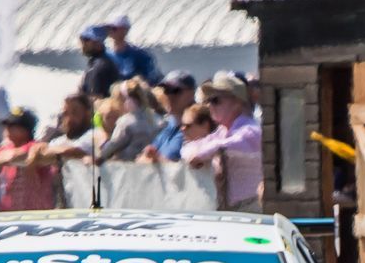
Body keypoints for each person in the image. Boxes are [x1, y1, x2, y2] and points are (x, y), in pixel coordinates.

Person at [182, 72, 262, 210]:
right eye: (208, 101)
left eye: (215, 101)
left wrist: (206, 152)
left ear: (237, 102)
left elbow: (239, 143)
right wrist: (196, 154)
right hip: (228, 208)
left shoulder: (251, 129)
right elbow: (188, 149)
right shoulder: (222, 132)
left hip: (251, 207)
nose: (209, 106)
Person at [0, 108, 57, 212]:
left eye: (13, 126)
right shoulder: (4, 150)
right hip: (9, 216)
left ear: (25, 129)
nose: (8, 129)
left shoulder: (35, 147)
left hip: (36, 214)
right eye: (7, 125)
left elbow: (12, 156)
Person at [96, 78, 164, 164]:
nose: (117, 104)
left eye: (119, 100)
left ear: (127, 101)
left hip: (129, 169)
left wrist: (99, 157)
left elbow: (113, 146)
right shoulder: (158, 118)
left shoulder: (126, 122)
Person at [148, 72, 198, 159]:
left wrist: (155, 159)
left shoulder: (198, 126)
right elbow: (146, 155)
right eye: (166, 90)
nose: (169, 96)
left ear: (191, 93)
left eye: (175, 91)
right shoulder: (170, 124)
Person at [105, 15, 160, 85]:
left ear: (125, 30)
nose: (110, 31)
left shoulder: (139, 55)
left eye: (114, 28)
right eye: (108, 28)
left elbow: (151, 78)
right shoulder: (105, 55)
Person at [77, 25, 121, 100]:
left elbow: (96, 99)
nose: (82, 42)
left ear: (98, 43)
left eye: (86, 39)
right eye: (81, 38)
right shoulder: (96, 62)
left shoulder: (100, 66)